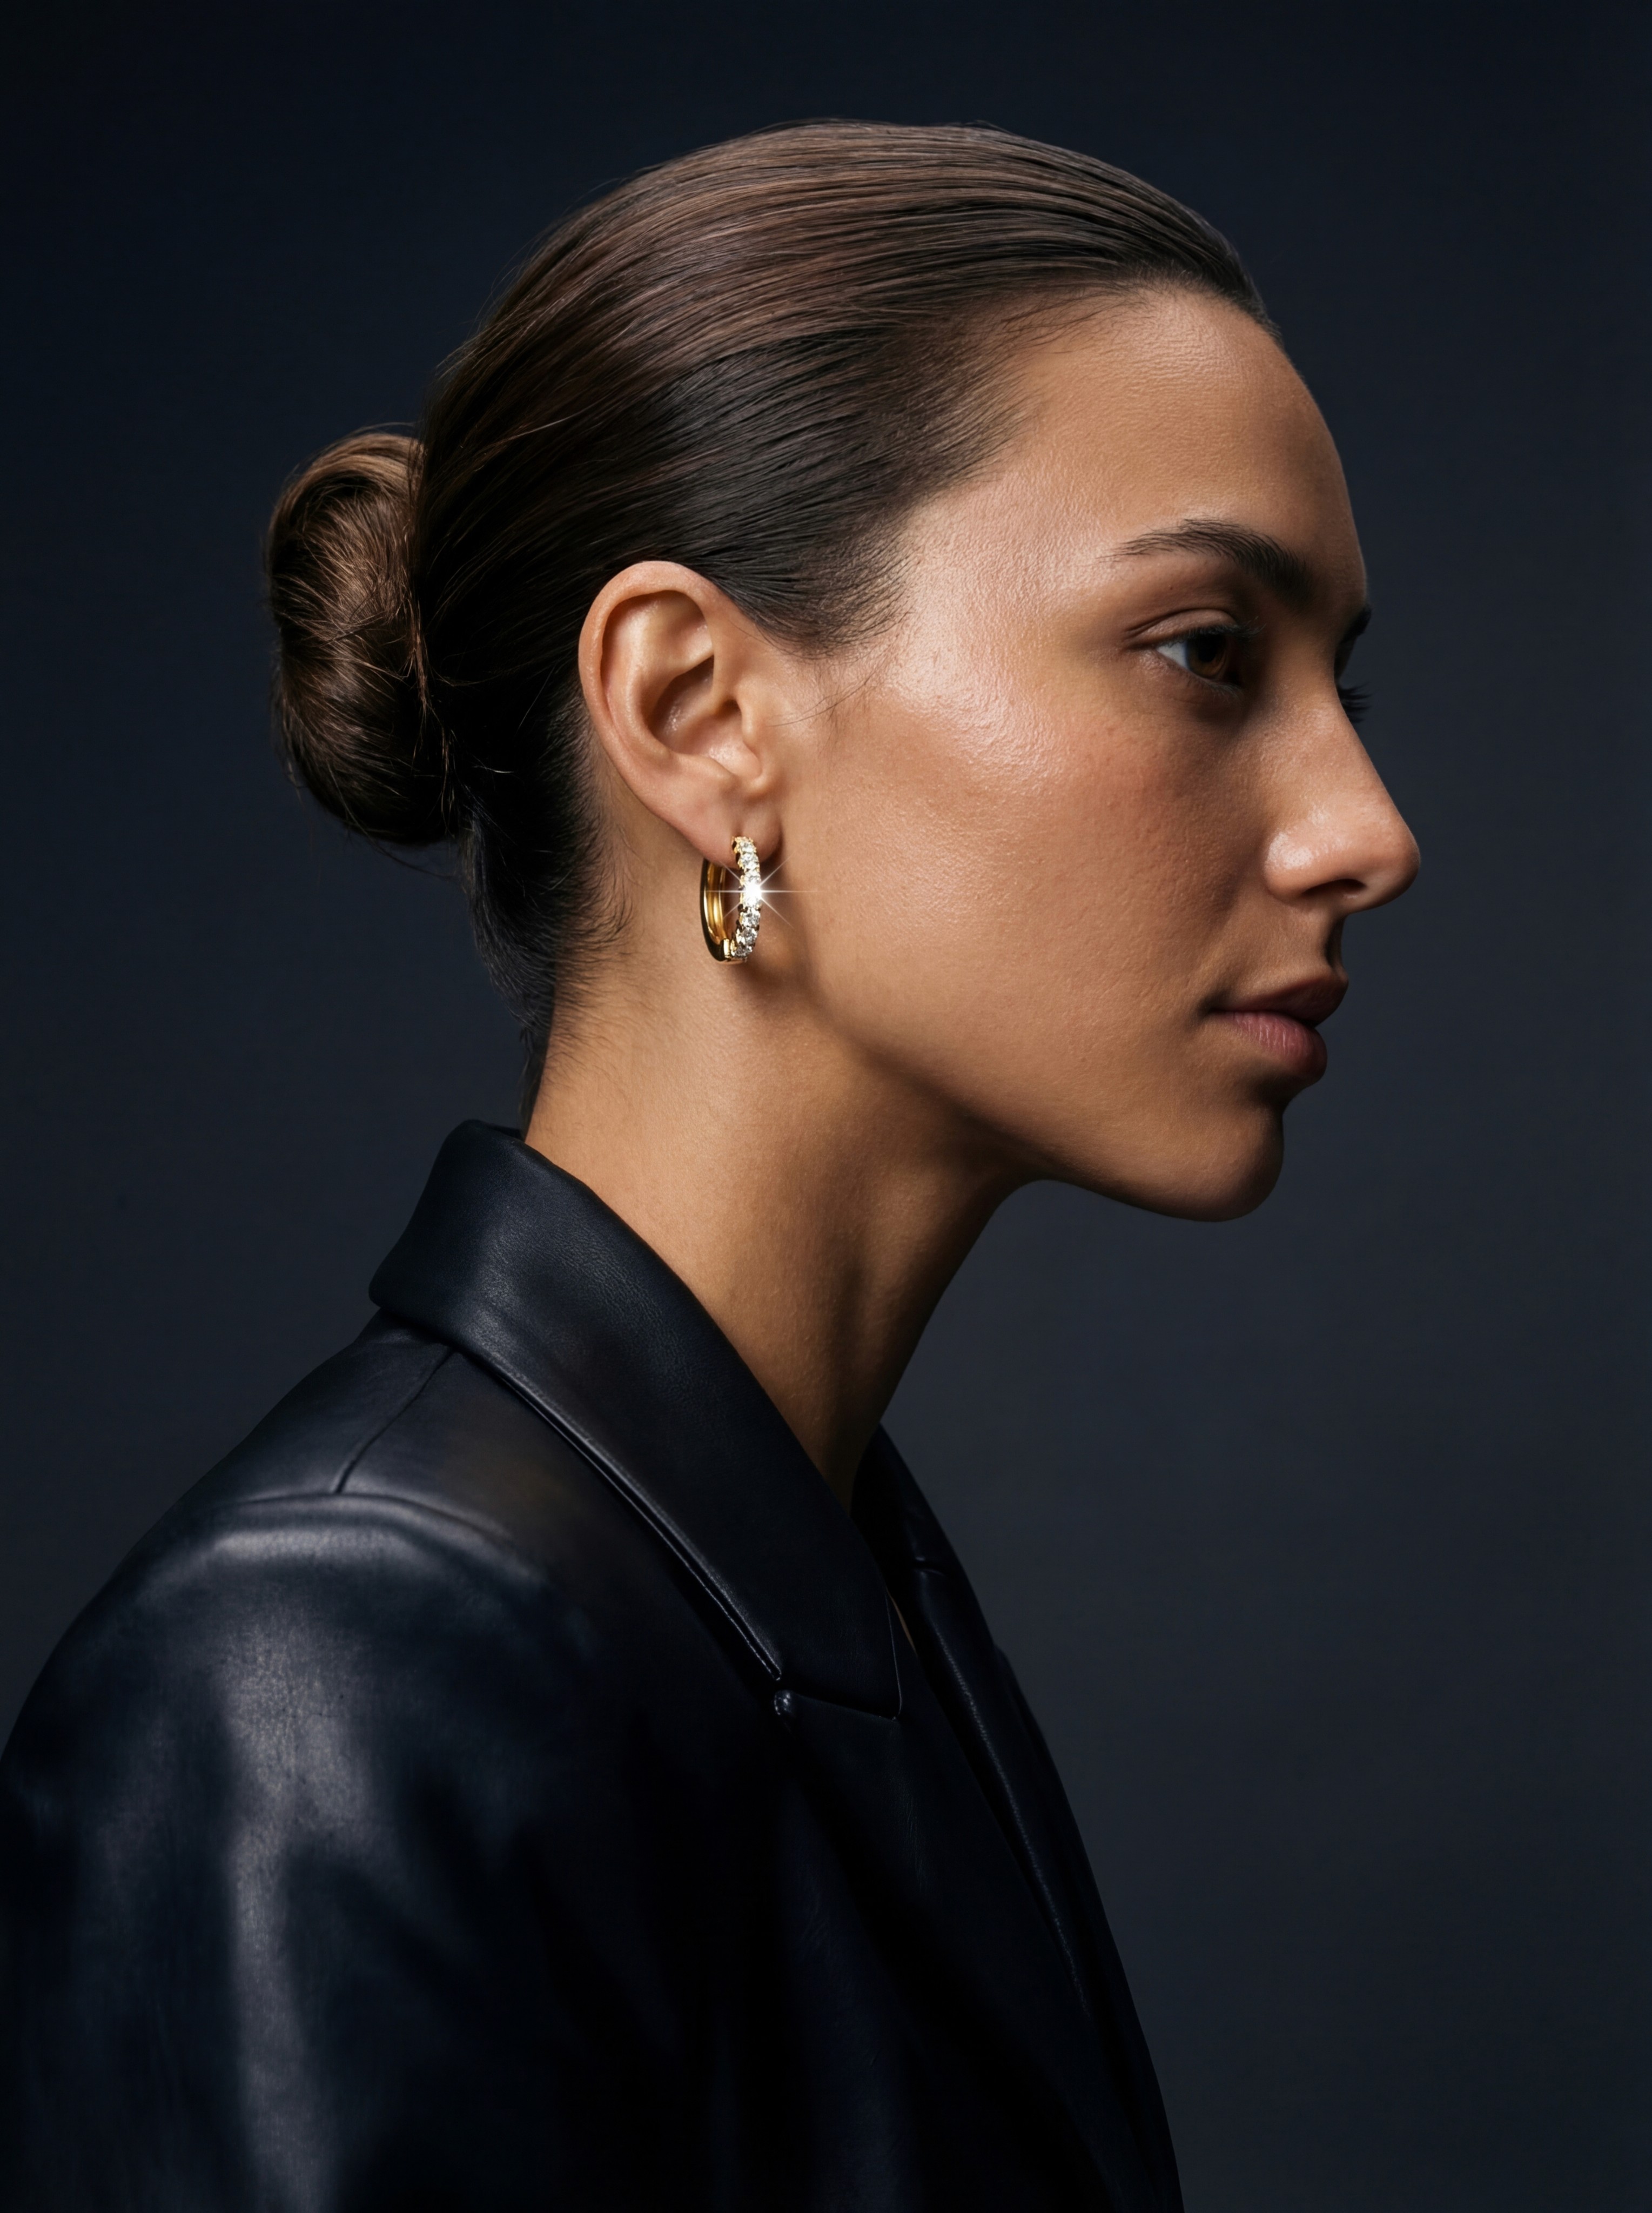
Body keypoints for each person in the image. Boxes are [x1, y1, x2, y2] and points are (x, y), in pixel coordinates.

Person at [0, 122, 1418, 2211]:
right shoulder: (340, 1673)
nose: (1363, 828)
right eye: (1205, 650)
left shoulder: (810, 1586)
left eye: (1337, 683)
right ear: (698, 710)